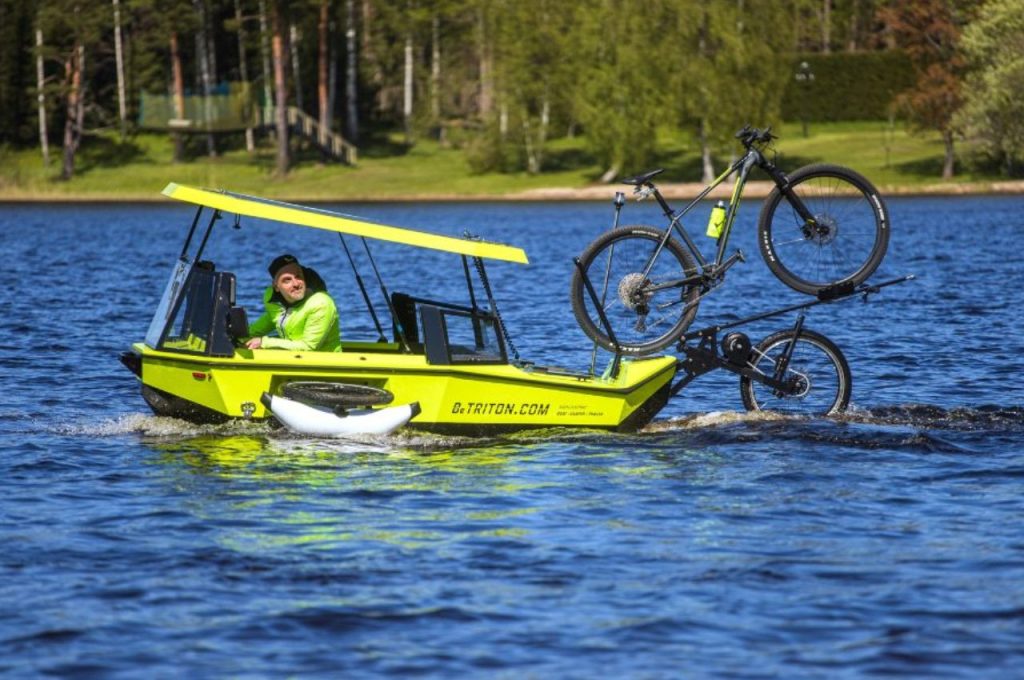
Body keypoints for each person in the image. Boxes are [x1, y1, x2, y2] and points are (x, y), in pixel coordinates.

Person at [245, 253, 342, 352]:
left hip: (323, 364)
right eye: (287, 280)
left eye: (298, 276)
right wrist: (238, 333)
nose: (296, 284)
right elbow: (272, 319)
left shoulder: (320, 303)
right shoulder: (274, 301)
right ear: (276, 287)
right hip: (293, 360)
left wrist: (264, 342)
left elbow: (308, 347)